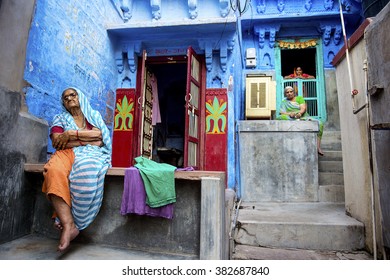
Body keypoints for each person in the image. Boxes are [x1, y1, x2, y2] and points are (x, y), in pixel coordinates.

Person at [42, 87, 112, 251]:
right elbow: (57, 141)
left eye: (72, 95)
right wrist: (86, 138)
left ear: (80, 97)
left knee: (87, 170)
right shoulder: (59, 118)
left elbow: (100, 136)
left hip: (92, 154)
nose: (69, 99)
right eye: (65, 98)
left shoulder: (92, 115)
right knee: (53, 171)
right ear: (63, 103)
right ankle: (68, 224)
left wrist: (71, 134)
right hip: (65, 153)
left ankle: (74, 220)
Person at [277, 86, 324, 156]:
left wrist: (299, 113)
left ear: (293, 92)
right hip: (291, 117)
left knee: (320, 123)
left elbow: (303, 108)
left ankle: (318, 147)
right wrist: (290, 114)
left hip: (303, 117)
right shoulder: (284, 102)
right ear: (285, 94)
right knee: (279, 117)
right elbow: (282, 113)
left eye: (291, 91)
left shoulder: (299, 98)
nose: (289, 93)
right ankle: (296, 119)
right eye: (287, 92)